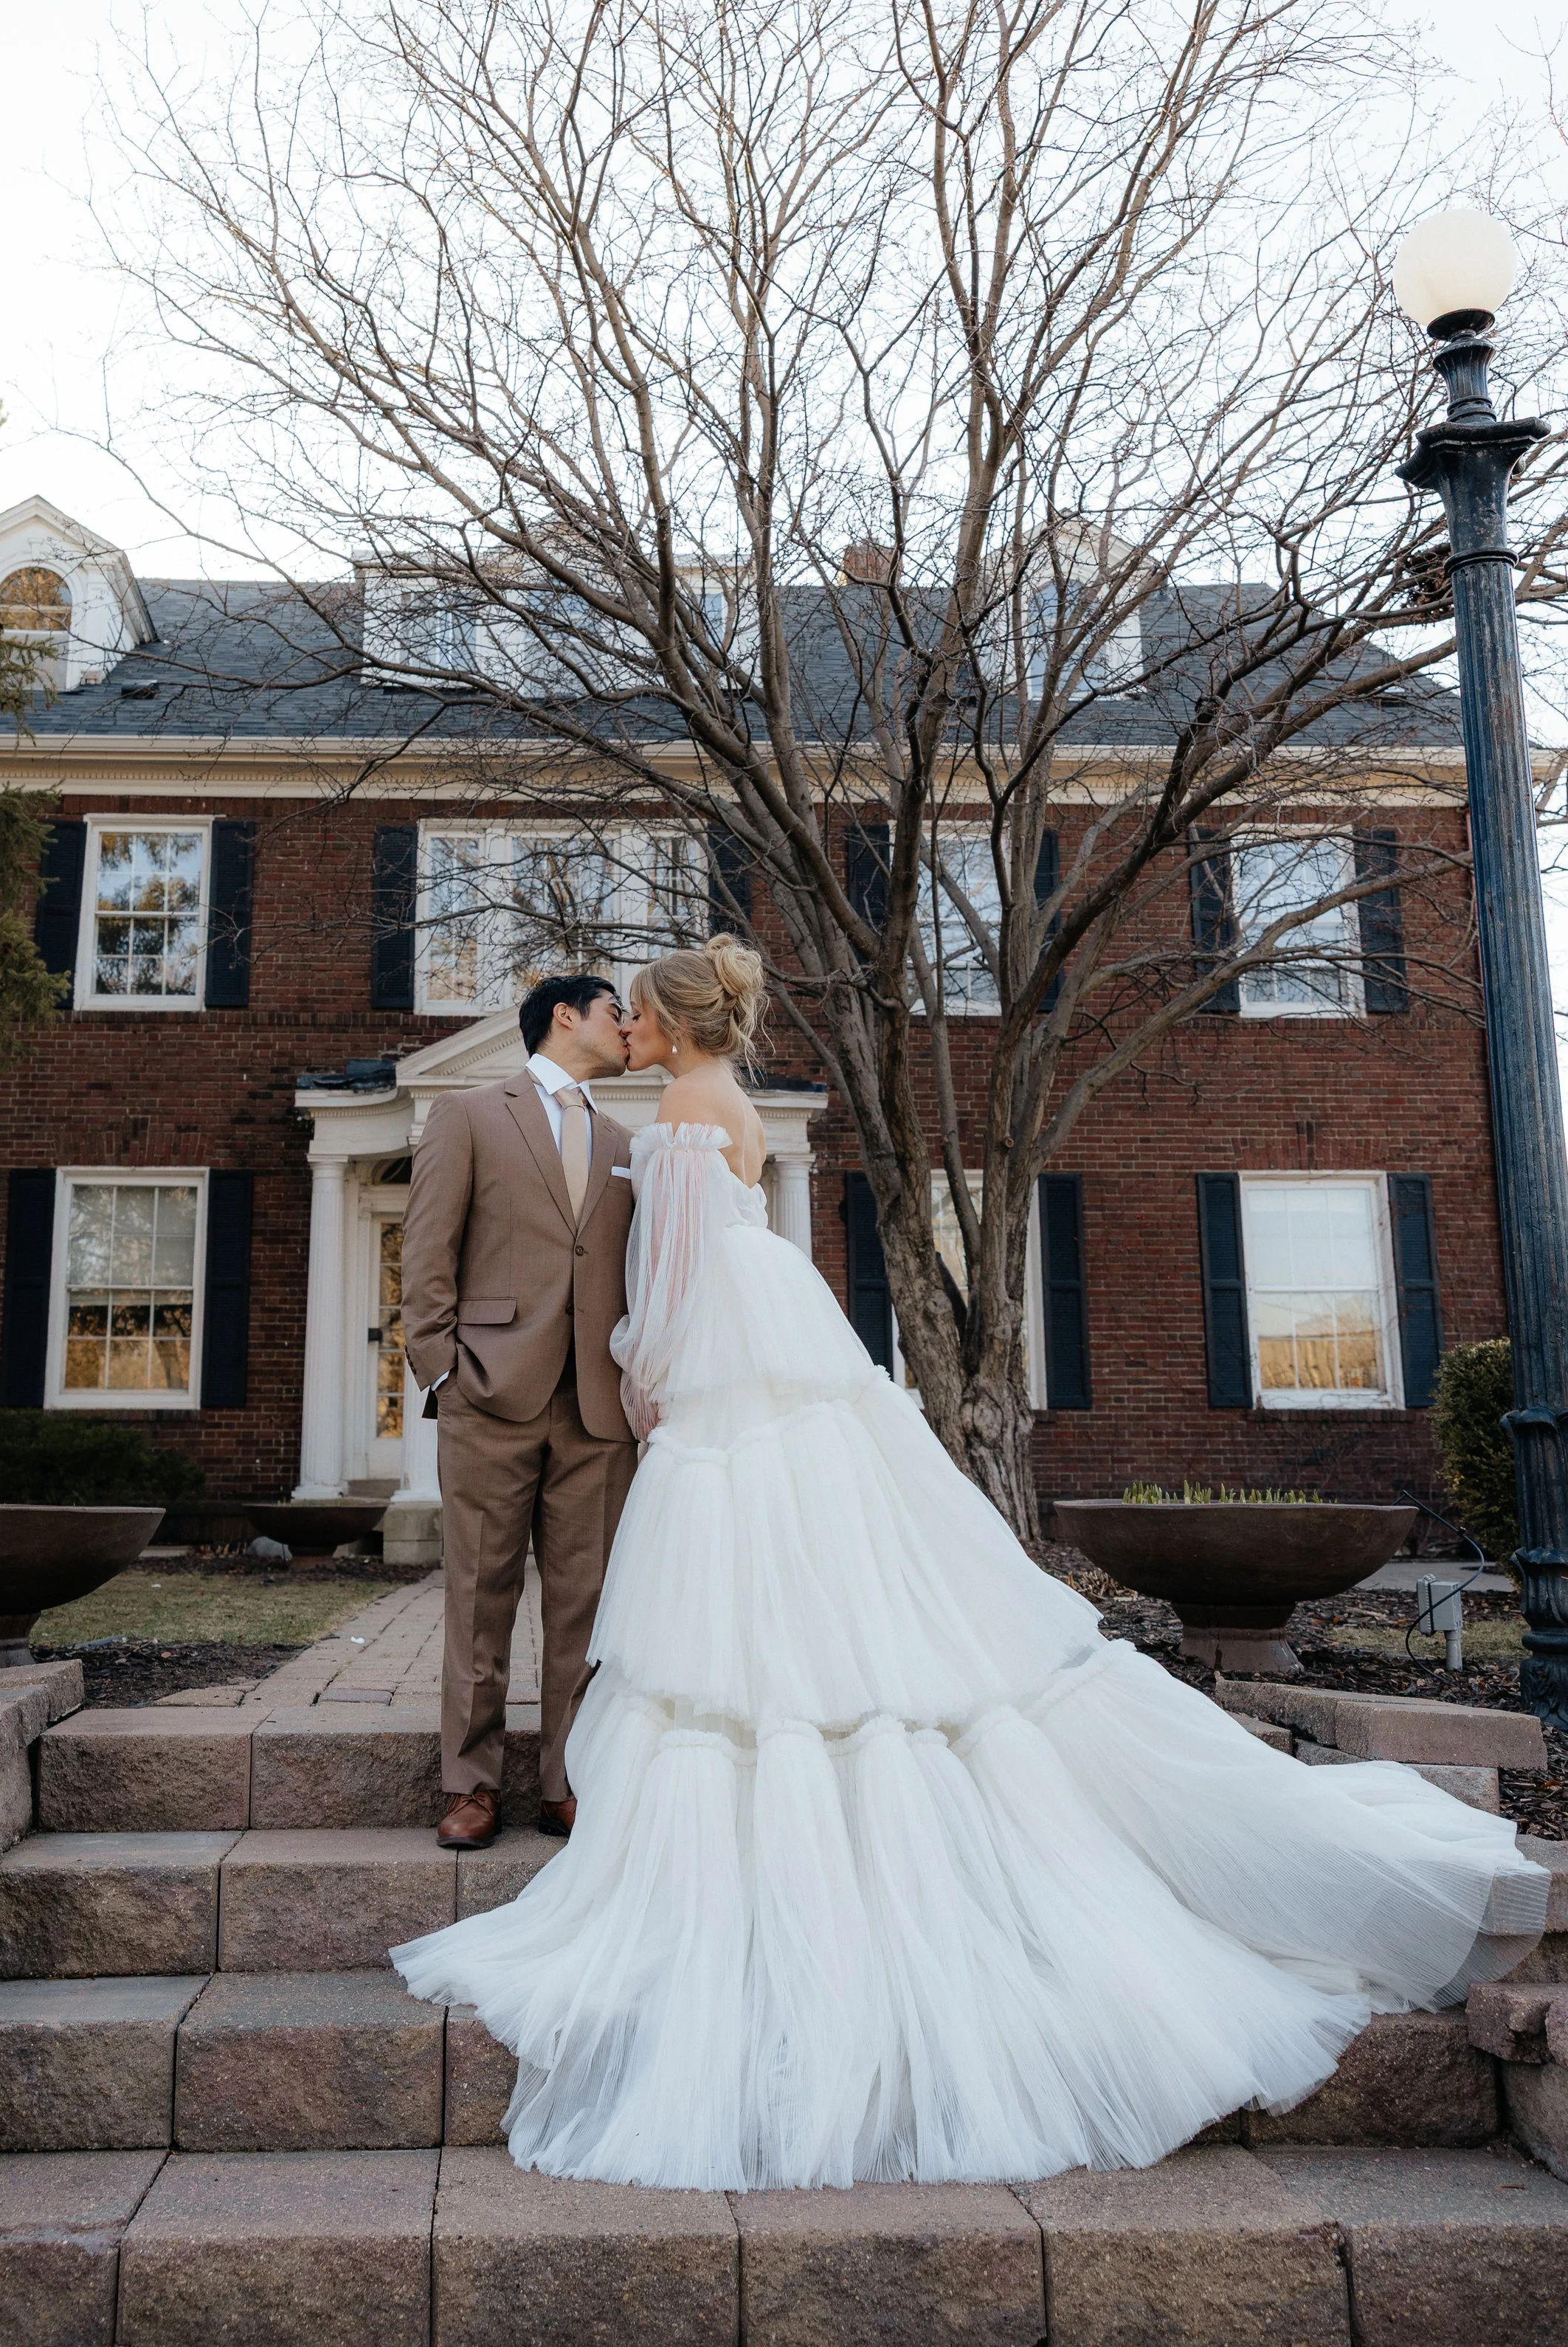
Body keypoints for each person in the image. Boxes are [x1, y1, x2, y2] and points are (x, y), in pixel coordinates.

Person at [395, 934, 1547, 2190]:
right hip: (672, 1366)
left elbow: (664, 1280)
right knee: (723, 1602)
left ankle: (589, 1782)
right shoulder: (687, 1106)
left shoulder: (668, 1115)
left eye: (638, 1013)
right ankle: (510, 1772)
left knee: (675, 1617)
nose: (624, 1027)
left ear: (666, 1027)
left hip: (686, 1390)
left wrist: (642, 1371)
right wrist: (454, 1365)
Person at [401, 971, 637, 1849]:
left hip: (596, 1410)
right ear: (565, 1016)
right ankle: (471, 1785)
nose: (630, 1027)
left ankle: (565, 1782)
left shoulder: (623, 1139)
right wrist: (442, 1372)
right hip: (487, 1394)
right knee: (478, 1595)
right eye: (619, 1011)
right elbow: (426, 1254)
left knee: (586, 1603)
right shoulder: (468, 1115)